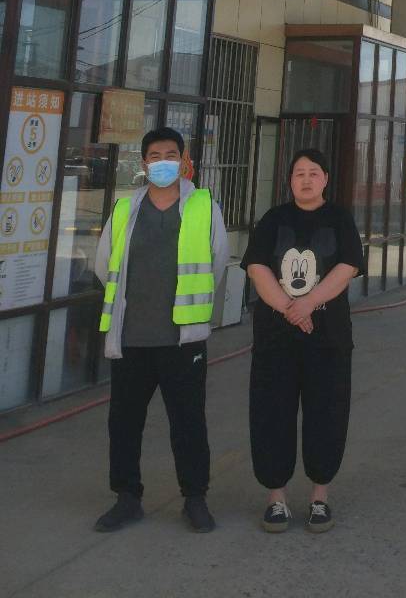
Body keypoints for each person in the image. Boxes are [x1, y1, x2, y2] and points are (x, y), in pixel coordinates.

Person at [93, 126, 228, 534]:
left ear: (184, 161)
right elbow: (104, 264)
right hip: (131, 338)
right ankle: (127, 498)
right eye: (155, 156)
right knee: (124, 423)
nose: (163, 162)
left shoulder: (204, 206)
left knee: (188, 423)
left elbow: (217, 262)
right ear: (144, 163)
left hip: (182, 340)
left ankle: (195, 498)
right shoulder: (124, 209)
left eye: (171, 155)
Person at [242, 148, 364, 535]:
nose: (306, 179)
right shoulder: (273, 219)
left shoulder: (340, 219)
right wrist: (289, 308)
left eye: (314, 172)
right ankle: (275, 498)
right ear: (290, 180)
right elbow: (257, 267)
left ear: (325, 179)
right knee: (271, 414)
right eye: (299, 173)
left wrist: (308, 303)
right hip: (275, 340)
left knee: (326, 414)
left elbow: (347, 267)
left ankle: (319, 497)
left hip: (327, 340)